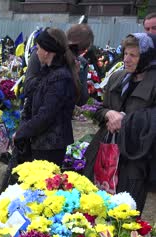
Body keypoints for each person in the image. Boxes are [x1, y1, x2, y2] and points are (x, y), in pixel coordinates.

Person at [83, 33, 156, 212]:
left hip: (134, 159)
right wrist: (108, 113)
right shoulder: (117, 77)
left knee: (125, 215)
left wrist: (127, 120)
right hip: (104, 153)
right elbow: (97, 108)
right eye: (125, 54)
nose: (126, 59)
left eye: (133, 55)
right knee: (96, 209)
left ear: (146, 57)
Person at [13, 27, 80, 166]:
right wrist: (24, 127)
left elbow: (46, 115)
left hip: (50, 146)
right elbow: (31, 104)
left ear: (47, 51)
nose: (36, 52)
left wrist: (22, 132)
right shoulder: (47, 72)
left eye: (38, 48)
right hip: (39, 142)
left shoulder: (61, 77)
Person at [24, 24, 93, 107]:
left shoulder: (43, 52)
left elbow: (27, 88)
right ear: (83, 51)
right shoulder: (42, 53)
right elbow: (82, 100)